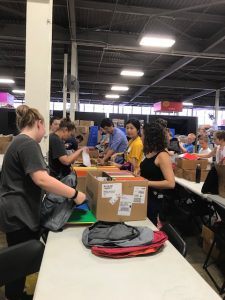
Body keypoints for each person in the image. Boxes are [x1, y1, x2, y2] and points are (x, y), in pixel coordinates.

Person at [0, 105, 86, 300]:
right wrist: (74, 194)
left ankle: (16, 293)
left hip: (14, 210)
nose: (45, 133)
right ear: (38, 123)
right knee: (19, 262)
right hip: (18, 212)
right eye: (45, 126)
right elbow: (42, 179)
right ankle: (15, 296)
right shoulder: (28, 144)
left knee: (18, 260)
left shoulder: (18, 142)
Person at [140, 122, 175, 226]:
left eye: (142, 135)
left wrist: (146, 182)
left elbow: (170, 183)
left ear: (150, 137)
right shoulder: (150, 152)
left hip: (154, 199)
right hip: (145, 195)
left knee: (151, 225)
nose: (141, 137)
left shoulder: (162, 155)